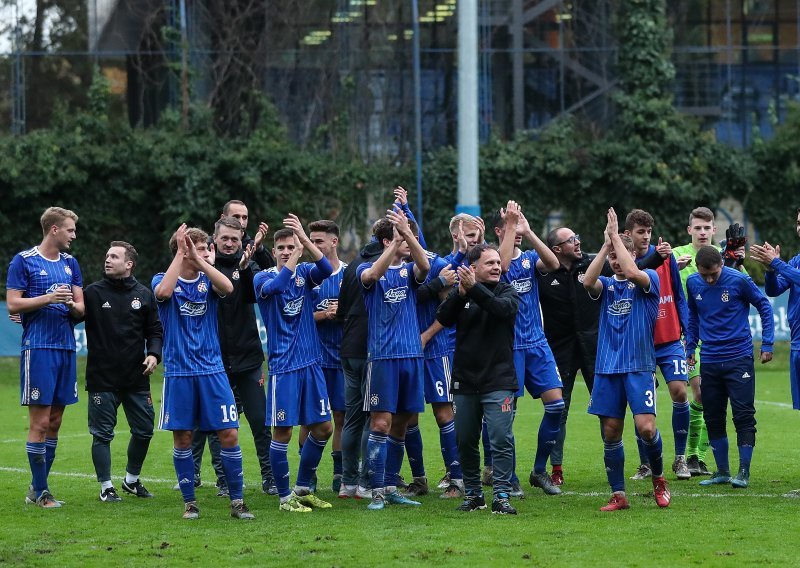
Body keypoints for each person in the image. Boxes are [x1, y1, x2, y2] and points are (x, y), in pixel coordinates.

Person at [153, 224, 253, 520]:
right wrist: (183, 256)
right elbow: (163, 293)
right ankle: (190, 503)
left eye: (206, 248)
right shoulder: (162, 278)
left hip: (212, 370)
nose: (208, 252)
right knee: (183, 437)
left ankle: (237, 502)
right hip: (179, 373)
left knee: (230, 434)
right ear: (181, 251)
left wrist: (199, 262)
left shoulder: (208, 281)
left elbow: (229, 287)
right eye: (200, 247)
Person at [583, 208, 670, 511]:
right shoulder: (606, 286)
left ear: (632, 255)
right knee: (611, 432)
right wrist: (607, 243)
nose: (616, 262)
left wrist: (617, 237)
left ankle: (658, 478)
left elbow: (633, 272)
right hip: (608, 368)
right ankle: (618, 494)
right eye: (612, 258)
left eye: (621, 256)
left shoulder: (648, 280)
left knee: (646, 428)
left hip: (639, 366)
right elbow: (587, 281)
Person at [253, 215, 335, 513]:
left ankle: (302, 487)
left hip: (311, 363)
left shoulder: (304, 272)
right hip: (284, 368)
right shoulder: (262, 278)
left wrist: (305, 239)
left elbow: (326, 268)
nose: (287, 251)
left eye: (291, 246)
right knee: (283, 434)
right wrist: (298, 256)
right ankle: (285, 497)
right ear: (273, 251)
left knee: (324, 427)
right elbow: (277, 286)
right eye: (282, 247)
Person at [6, 206, 84, 509]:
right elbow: (13, 303)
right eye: (70, 230)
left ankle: (38, 487)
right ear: (54, 229)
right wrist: (49, 298)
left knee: (55, 420)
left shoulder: (70, 263)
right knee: (39, 422)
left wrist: (71, 306)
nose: (73, 235)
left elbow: (81, 308)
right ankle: (40, 491)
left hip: (66, 349)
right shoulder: (23, 261)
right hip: (38, 349)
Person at [436, 244, 520, 514]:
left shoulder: (507, 290)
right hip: (465, 381)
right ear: (473, 269)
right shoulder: (462, 294)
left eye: (498, 262)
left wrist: (474, 289)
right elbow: (443, 318)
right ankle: (474, 495)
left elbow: (501, 310)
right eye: (490, 263)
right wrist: (460, 295)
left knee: (500, 439)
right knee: (465, 440)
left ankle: (502, 496)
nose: (497, 267)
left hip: (499, 380)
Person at [358, 207, 430, 510]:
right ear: (389, 241)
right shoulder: (366, 270)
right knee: (381, 424)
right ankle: (374, 490)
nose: (408, 242)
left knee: (401, 424)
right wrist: (395, 241)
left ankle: (389, 486)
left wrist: (408, 236)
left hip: (411, 357)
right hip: (383, 358)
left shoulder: (409, 271)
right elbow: (374, 274)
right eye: (402, 238)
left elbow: (425, 266)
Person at [685, 246, 774, 489]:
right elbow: (692, 315)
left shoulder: (739, 280)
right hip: (710, 359)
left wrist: (767, 343)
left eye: (713, 274)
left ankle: (743, 472)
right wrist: (690, 346)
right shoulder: (693, 283)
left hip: (739, 358)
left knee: (743, 415)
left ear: (722, 265)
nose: (710, 279)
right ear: (698, 270)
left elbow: (764, 306)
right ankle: (722, 471)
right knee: (713, 416)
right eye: (705, 275)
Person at [82, 241, 162, 502]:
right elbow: (69, 315)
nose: (107, 260)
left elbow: (155, 331)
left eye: (114, 256)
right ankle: (106, 486)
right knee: (102, 434)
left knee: (144, 430)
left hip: (135, 377)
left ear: (129, 264)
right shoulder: (92, 293)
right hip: (101, 378)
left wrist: (153, 354)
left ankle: (131, 480)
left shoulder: (144, 294)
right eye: (107, 255)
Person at [494, 201, 563, 497]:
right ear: (499, 230)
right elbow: (503, 266)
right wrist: (510, 226)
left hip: (537, 343)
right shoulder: (493, 260)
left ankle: (538, 471)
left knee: (556, 406)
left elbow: (554, 264)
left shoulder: (530, 258)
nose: (516, 227)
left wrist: (528, 229)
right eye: (510, 224)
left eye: (518, 220)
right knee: (504, 414)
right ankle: (507, 476)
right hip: (508, 348)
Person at [623, 209, 692, 481]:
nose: (646, 237)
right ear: (628, 234)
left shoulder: (666, 257)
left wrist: (688, 334)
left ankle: (680, 459)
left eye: (649, 232)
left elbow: (678, 294)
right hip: (641, 346)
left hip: (670, 339)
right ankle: (646, 464)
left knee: (680, 392)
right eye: (641, 232)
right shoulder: (623, 261)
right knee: (641, 404)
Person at [210, 216, 274, 495]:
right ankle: (224, 479)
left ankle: (270, 477)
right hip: (215, 360)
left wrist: (247, 268)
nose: (229, 243)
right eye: (224, 238)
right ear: (215, 239)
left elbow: (258, 294)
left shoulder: (248, 266)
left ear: (241, 240)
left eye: (234, 239)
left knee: (260, 421)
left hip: (248, 358)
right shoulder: (204, 266)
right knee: (219, 424)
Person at [536, 227, 602, 486]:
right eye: (571, 240)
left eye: (577, 237)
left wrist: (660, 259)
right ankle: (556, 468)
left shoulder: (591, 263)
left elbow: (630, 263)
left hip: (592, 348)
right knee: (558, 410)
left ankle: (628, 463)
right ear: (556, 249)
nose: (578, 242)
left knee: (606, 407)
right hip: (559, 350)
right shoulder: (542, 273)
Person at [336, 220, 385, 499]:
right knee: (371, 418)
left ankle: (347, 482)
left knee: (352, 418)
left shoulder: (354, 263)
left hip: (349, 347)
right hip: (371, 350)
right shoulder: (382, 266)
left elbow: (341, 310)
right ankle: (367, 482)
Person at [672, 207, 716, 476]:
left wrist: (739, 262)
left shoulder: (721, 258)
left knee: (712, 397)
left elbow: (743, 285)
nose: (702, 232)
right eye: (697, 227)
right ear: (690, 230)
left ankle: (697, 457)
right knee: (699, 391)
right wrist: (673, 270)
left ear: (714, 230)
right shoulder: (678, 256)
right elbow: (659, 283)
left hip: (717, 339)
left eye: (706, 227)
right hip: (687, 338)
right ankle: (690, 456)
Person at [308, 219, 347, 492]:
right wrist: (325, 314)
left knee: (341, 417)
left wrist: (343, 313)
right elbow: (295, 318)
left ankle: (338, 473)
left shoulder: (351, 275)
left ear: (334, 242)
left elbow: (362, 316)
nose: (313, 246)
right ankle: (307, 473)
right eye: (311, 241)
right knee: (311, 418)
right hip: (313, 359)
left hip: (342, 358)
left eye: (318, 241)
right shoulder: (306, 276)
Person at [751, 208, 800, 411]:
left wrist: (777, 263)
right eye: (798, 223)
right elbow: (774, 290)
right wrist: (771, 270)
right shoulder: (796, 261)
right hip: (797, 344)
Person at [221, 200, 275, 270]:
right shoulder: (210, 245)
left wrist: (259, 249)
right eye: (236, 217)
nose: (241, 222)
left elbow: (271, 274)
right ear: (223, 218)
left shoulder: (253, 247)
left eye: (244, 218)